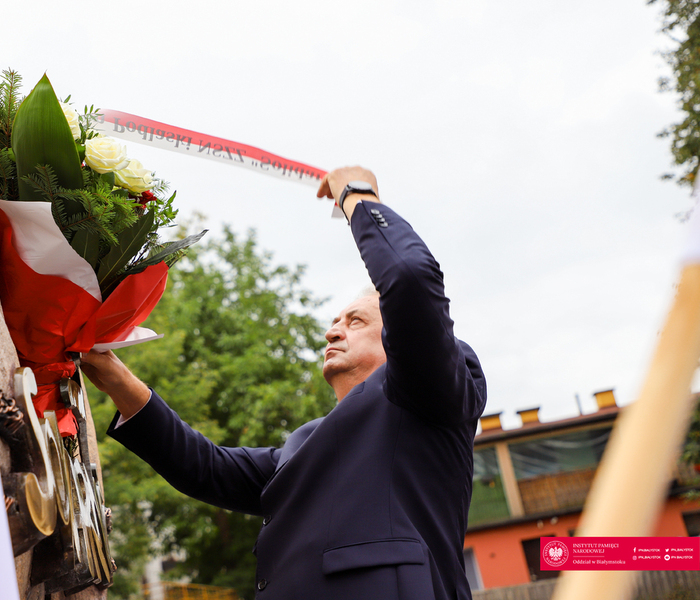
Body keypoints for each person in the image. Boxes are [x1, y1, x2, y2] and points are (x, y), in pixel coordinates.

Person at [81, 166, 487, 600]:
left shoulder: (436, 389)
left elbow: (408, 278)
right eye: (333, 322)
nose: (333, 331)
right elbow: (206, 467)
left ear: (398, 337)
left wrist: (357, 194)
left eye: (355, 321)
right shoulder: (301, 443)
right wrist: (114, 376)